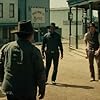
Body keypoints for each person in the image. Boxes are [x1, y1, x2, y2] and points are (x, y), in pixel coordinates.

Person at [0, 20, 46, 100]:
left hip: (9, 88)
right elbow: (40, 72)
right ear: (30, 35)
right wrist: (42, 89)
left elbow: (0, 65)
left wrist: (2, 80)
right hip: (27, 89)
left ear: (18, 35)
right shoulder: (34, 51)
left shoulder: (6, 47)